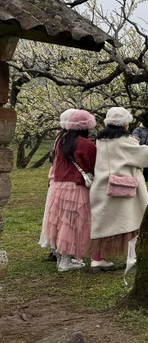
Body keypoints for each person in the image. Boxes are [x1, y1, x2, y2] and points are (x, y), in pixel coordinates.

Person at [89, 107, 148, 274]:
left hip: (102, 185)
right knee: (131, 220)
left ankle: (96, 259)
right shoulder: (125, 140)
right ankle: (131, 257)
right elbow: (145, 157)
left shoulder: (101, 139)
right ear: (125, 123)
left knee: (101, 222)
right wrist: (142, 146)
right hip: (125, 186)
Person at [42, 109, 97, 272]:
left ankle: (61, 257)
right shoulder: (86, 145)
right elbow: (92, 166)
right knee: (72, 223)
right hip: (75, 187)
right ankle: (66, 261)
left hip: (58, 186)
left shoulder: (61, 141)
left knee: (60, 222)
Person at [39, 108, 77, 262]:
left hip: (54, 180)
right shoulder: (69, 140)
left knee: (54, 217)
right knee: (66, 217)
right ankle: (64, 249)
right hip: (65, 181)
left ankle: (55, 249)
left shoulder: (59, 138)